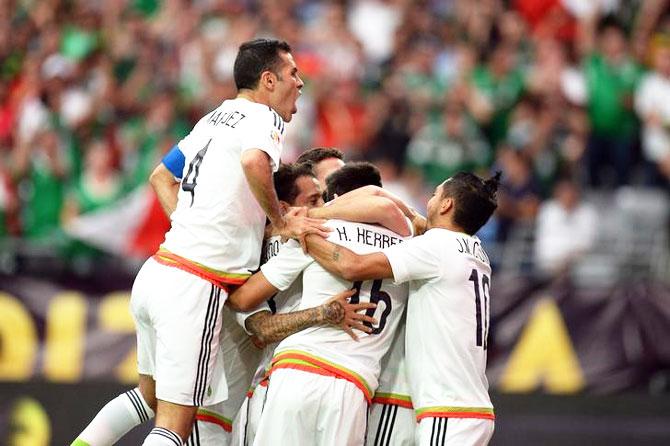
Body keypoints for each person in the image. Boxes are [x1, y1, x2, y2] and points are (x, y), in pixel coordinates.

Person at [71, 38, 327, 446]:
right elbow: (252, 161)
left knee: (148, 399)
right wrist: (281, 222)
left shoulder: (215, 118)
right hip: (194, 284)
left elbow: (160, 176)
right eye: (293, 74)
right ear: (268, 80)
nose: (300, 83)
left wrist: (191, 222)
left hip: (158, 271)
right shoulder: (264, 118)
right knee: (174, 424)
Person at [305, 171, 501, 446]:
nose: (428, 200)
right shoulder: (477, 250)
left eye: (435, 194)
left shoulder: (435, 247)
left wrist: (304, 232)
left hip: (448, 410)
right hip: (470, 407)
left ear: (446, 205)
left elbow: (352, 266)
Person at [225, 162, 413, 445]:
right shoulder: (411, 248)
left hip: (295, 368)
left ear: (336, 199)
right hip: (354, 383)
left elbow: (242, 299)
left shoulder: (316, 232)